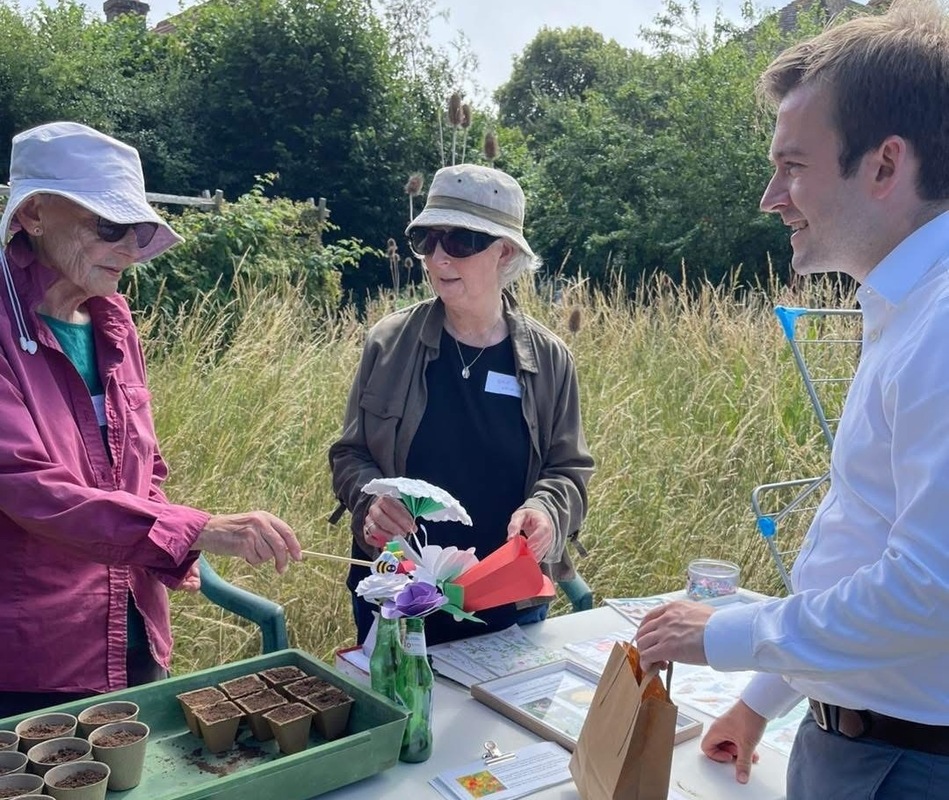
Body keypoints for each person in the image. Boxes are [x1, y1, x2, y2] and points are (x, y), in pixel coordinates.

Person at [636, 2, 949, 798]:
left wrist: (729, 634)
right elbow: (867, 539)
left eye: (793, 166)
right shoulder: (905, 307)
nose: (770, 197)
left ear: (884, 165)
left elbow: (930, 587)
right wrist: (761, 698)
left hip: (904, 763)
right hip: (869, 741)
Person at [0, 122, 302, 718]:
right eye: (110, 228)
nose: (132, 251)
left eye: (140, 231)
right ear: (35, 215)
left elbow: (145, 466)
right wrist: (194, 531)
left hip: (136, 631)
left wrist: (167, 541)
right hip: (37, 659)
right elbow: (34, 491)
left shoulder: (114, 322)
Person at [329, 163, 594, 645]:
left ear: (505, 253)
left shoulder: (550, 360)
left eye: (460, 242)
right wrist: (372, 500)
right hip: (395, 596)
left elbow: (568, 472)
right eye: (427, 240)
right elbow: (349, 455)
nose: (437, 258)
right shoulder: (388, 343)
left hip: (507, 606)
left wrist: (547, 513)